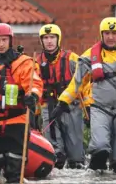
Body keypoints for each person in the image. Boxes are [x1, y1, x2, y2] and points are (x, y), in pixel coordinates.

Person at [52, 17, 116, 175]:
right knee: (99, 147)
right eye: (107, 33)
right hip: (100, 108)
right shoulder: (88, 56)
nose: (110, 37)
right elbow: (77, 83)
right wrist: (63, 102)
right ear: (101, 34)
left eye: (114, 33)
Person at [0, 23, 43, 183]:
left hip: (16, 120)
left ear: (10, 40)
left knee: (15, 168)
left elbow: (35, 83)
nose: (1, 44)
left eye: (4, 40)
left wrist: (32, 96)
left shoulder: (23, 63)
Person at [36, 24, 85, 169]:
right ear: (41, 41)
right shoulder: (35, 63)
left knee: (76, 159)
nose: (49, 41)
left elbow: (84, 82)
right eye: (45, 38)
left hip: (70, 108)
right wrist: (35, 113)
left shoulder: (72, 59)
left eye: (52, 37)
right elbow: (34, 88)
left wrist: (88, 106)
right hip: (48, 108)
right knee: (54, 155)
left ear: (58, 39)